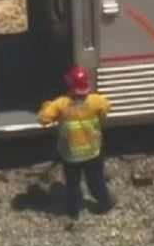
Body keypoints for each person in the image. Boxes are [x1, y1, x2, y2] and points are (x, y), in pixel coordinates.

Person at [38, 66, 115, 220]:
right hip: (93, 151)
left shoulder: (61, 104)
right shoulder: (95, 101)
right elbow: (107, 107)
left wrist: (46, 106)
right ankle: (105, 202)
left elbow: (43, 119)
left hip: (71, 154)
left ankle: (73, 211)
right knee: (96, 181)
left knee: (72, 184)